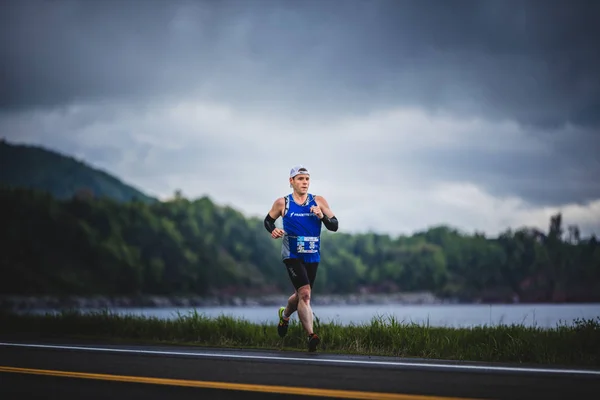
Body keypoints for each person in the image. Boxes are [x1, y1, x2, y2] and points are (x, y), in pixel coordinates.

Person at [263, 165, 339, 352]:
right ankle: (311, 336)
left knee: (299, 296)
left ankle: (285, 315)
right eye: (300, 179)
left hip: (312, 255)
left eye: (307, 179)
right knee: (305, 295)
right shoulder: (283, 203)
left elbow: (334, 226)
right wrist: (274, 230)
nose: (304, 182)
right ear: (291, 182)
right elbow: (268, 220)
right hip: (292, 255)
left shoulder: (318, 201)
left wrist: (322, 216)